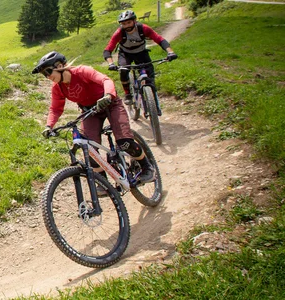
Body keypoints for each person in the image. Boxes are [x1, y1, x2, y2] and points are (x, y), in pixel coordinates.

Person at [32, 51, 155, 192]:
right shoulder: (57, 88)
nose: (48, 77)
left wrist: (108, 95)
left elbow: (106, 80)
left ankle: (147, 167)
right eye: (44, 75)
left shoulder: (82, 71)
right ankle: (104, 184)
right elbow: (55, 108)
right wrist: (49, 126)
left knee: (124, 142)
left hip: (110, 104)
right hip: (90, 112)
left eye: (48, 72)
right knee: (89, 148)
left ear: (60, 66)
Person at [104, 10, 178, 105]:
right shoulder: (119, 33)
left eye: (129, 22)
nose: (127, 26)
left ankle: (152, 97)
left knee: (149, 74)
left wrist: (170, 52)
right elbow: (108, 50)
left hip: (141, 52)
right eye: (124, 24)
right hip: (125, 54)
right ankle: (128, 94)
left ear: (134, 21)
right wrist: (111, 64)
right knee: (123, 70)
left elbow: (159, 39)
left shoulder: (143, 29)